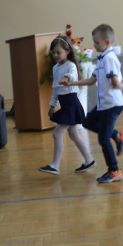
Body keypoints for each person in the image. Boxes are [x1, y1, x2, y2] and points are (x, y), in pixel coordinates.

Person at [61, 24, 123, 183]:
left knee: (103, 139)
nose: (94, 45)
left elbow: (114, 79)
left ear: (107, 42)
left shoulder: (109, 58)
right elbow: (92, 80)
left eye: (97, 42)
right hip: (104, 104)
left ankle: (114, 171)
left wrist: (118, 84)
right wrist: (71, 83)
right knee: (87, 122)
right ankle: (117, 135)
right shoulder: (102, 58)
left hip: (112, 104)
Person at [38, 36, 95, 175]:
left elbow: (72, 74)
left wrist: (67, 78)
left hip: (71, 104)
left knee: (57, 133)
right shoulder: (55, 68)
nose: (55, 55)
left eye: (58, 52)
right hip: (65, 104)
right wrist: (52, 105)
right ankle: (89, 160)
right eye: (53, 52)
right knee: (73, 134)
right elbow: (56, 89)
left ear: (67, 51)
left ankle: (55, 165)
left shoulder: (71, 66)